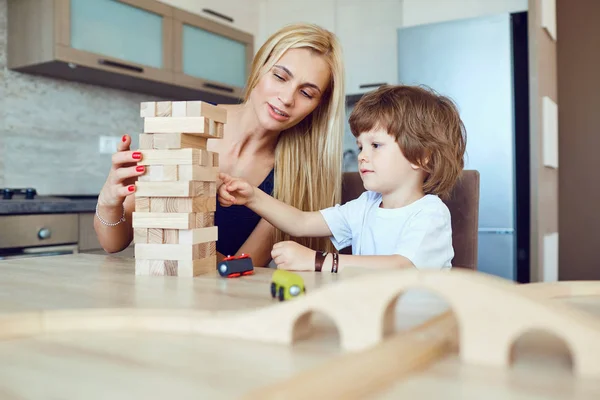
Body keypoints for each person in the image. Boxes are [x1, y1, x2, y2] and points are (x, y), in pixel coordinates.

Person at [93, 23, 346, 267]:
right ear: (259, 67)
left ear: (317, 107)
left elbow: (240, 268)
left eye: (306, 93)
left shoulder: (295, 177)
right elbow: (114, 243)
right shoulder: (189, 126)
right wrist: (109, 201)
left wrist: (185, 214)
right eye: (280, 76)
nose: (287, 98)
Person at [217, 84, 467, 273]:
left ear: (421, 157)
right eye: (360, 147)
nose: (362, 156)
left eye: (376, 145)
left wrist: (317, 261)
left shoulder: (429, 213)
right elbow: (302, 222)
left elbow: (401, 267)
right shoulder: (366, 205)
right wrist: (252, 196)